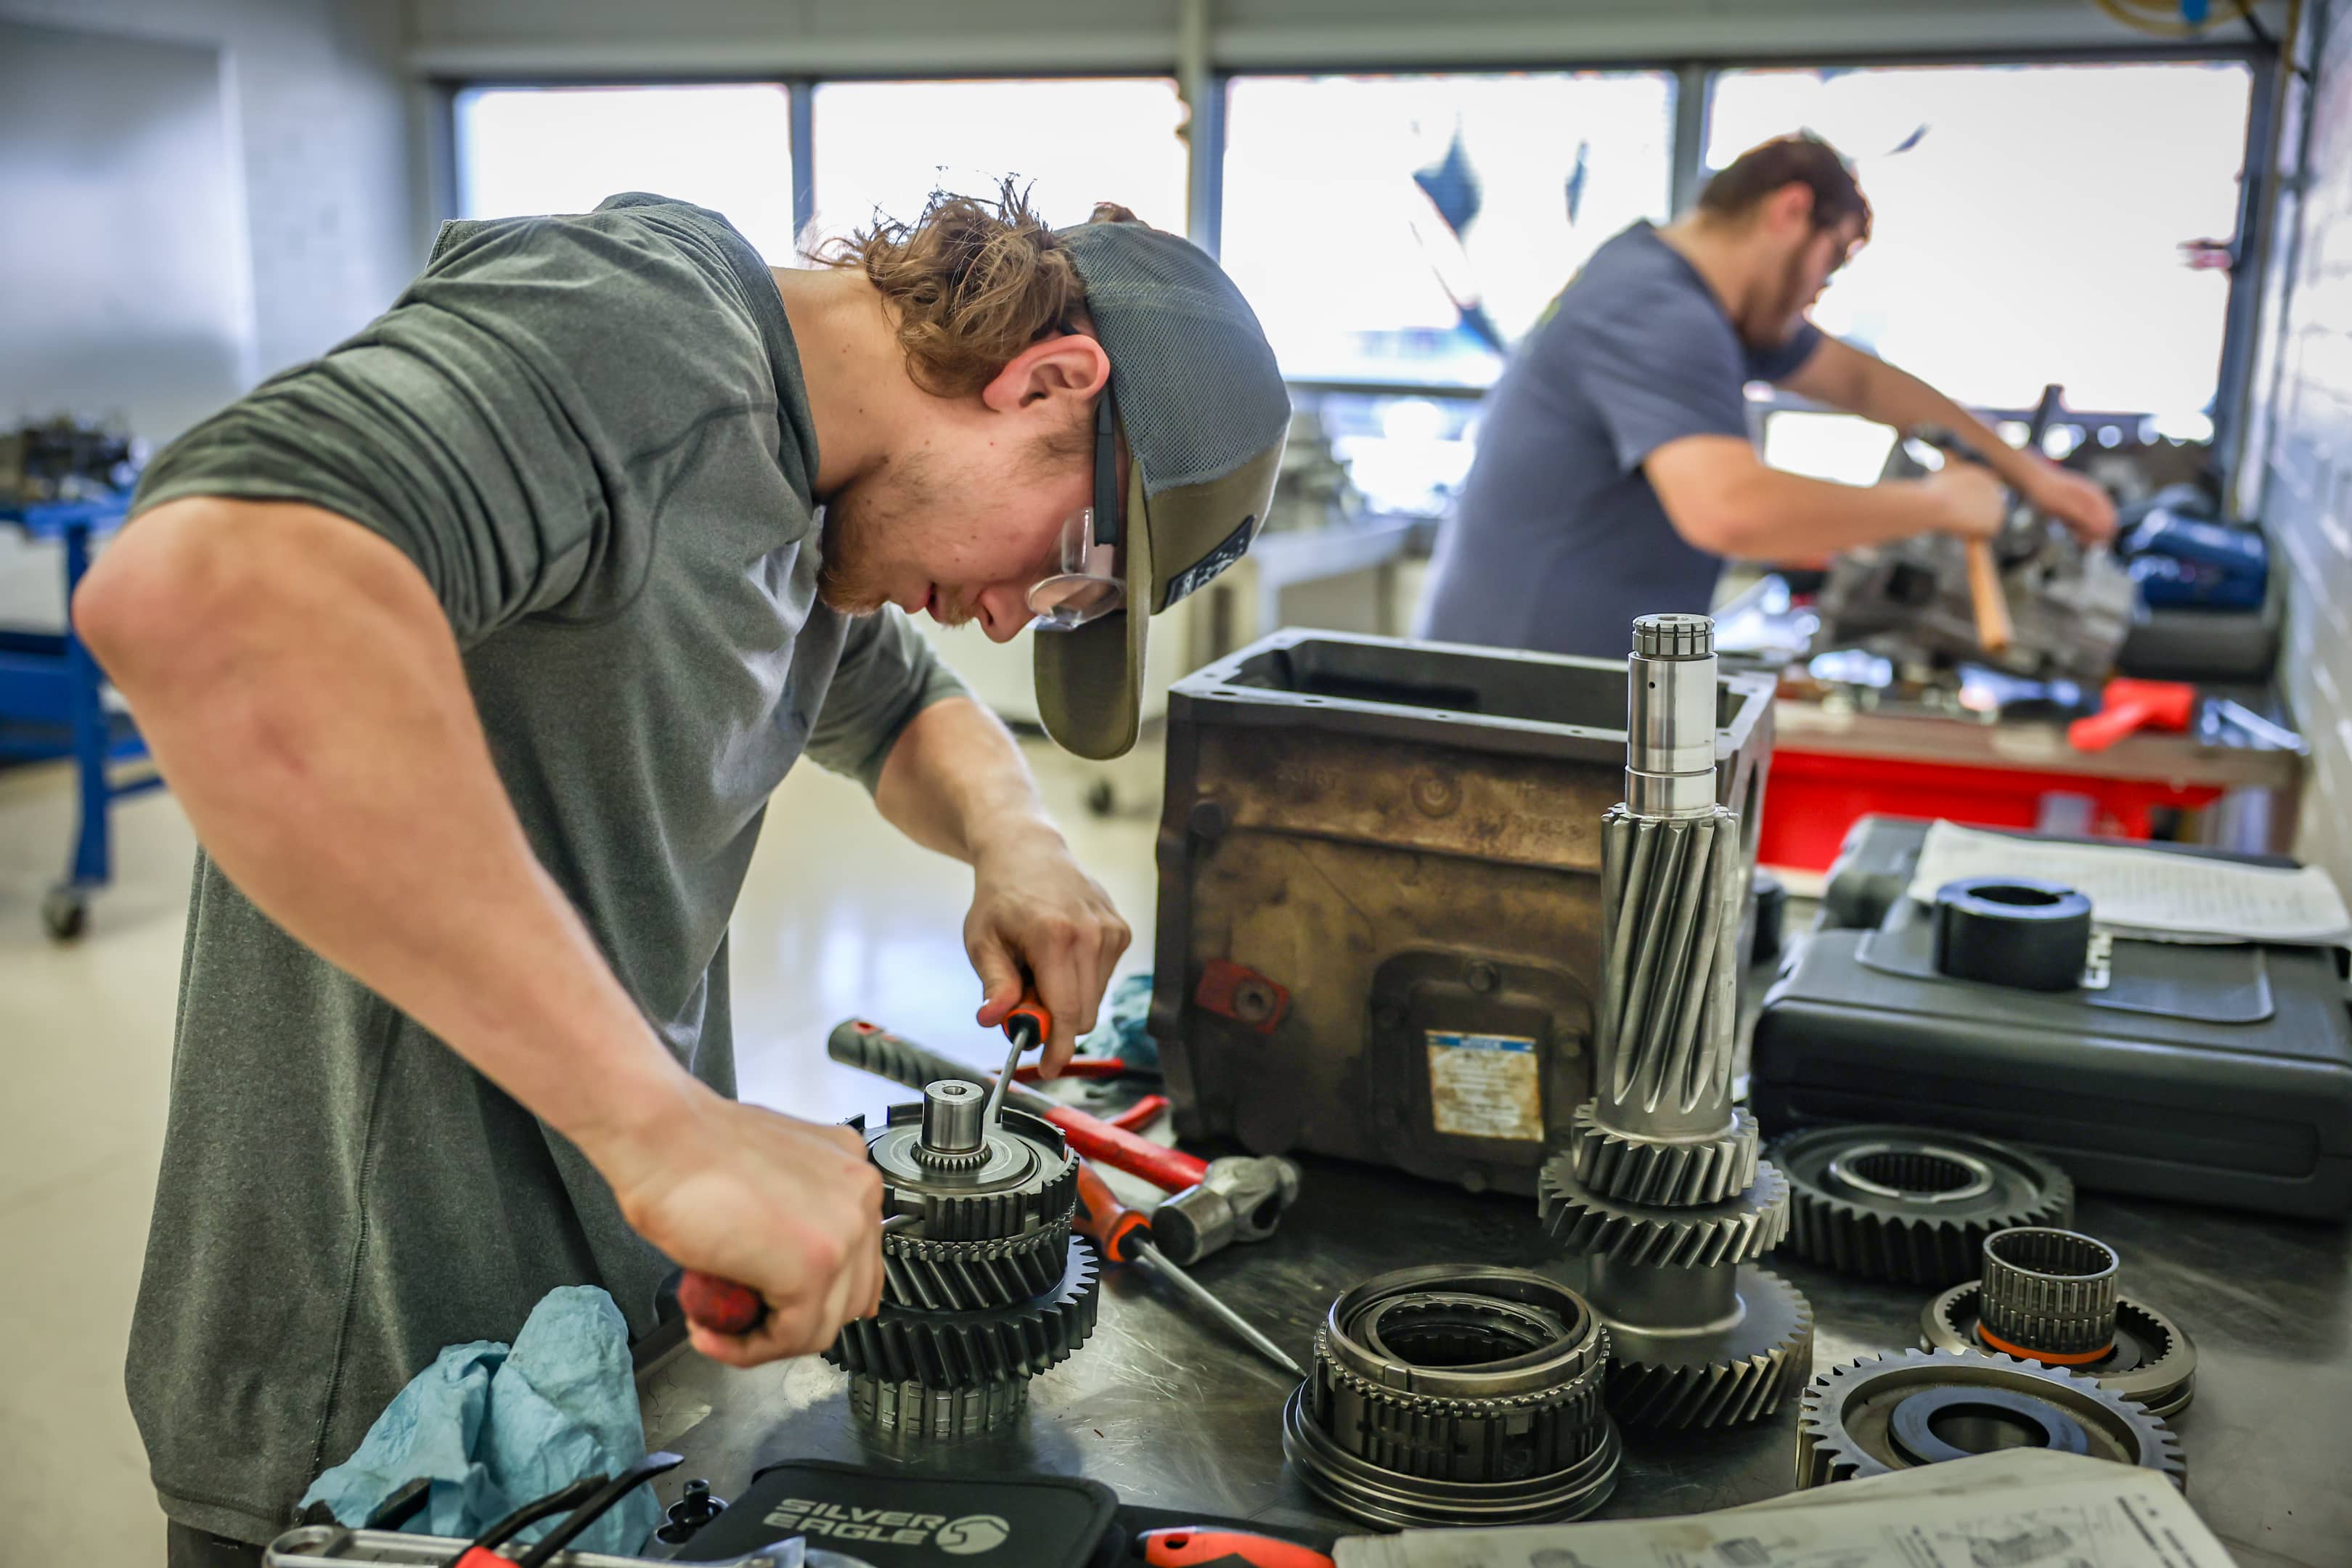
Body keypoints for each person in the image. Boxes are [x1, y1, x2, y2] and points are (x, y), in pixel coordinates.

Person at [72, 184, 1289, 1563]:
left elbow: (900, 705)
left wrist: (1019, 843)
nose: (1015, 616)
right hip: (374, 1413)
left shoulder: (818, 500)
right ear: (1046, 381)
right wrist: (666, 1128)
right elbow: (213, 592)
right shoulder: (643, 339)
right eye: (1066, 577)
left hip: (598, 1350)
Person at [1416, 133, 2115, 659]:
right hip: (1525, 686)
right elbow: (1728, 510)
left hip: (1557, 673)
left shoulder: (1688, 293)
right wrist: (1933, 507)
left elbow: (1865, 381)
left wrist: (2029, 474)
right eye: (1831, 263)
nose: (1818, 294)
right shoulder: (1660, 309)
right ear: (1790, 210)